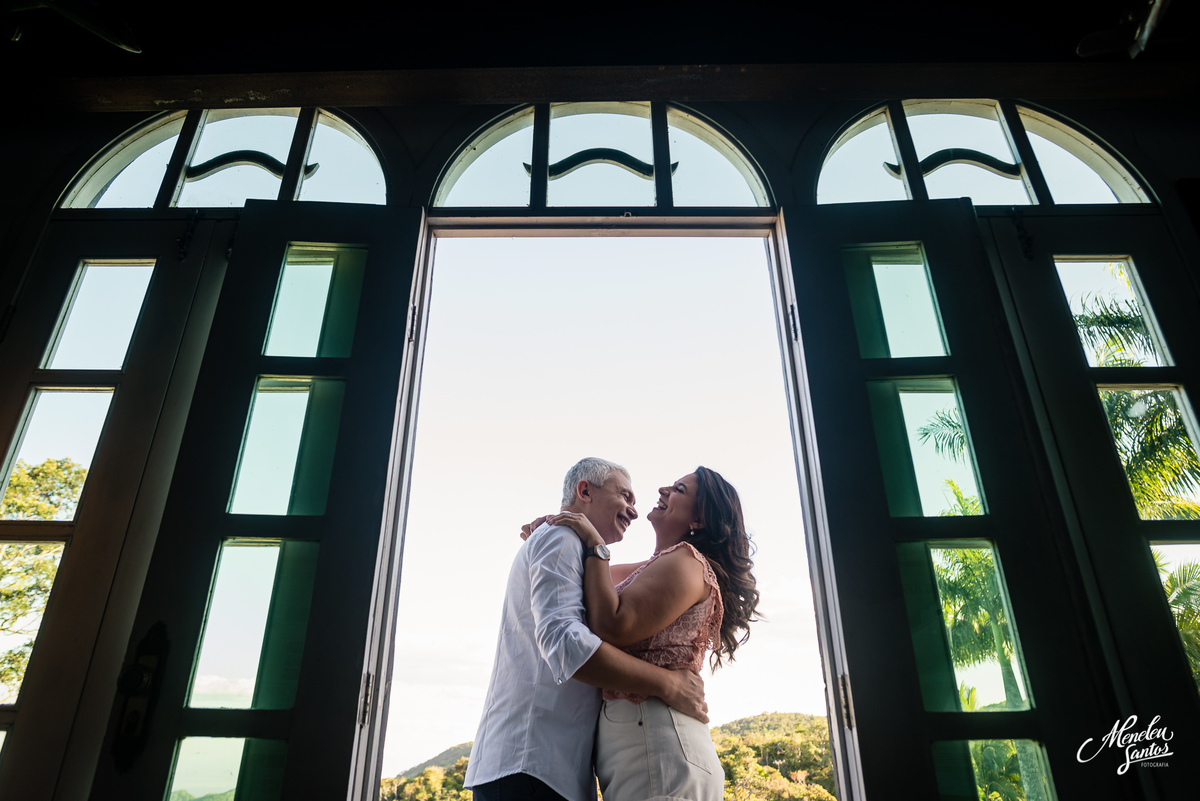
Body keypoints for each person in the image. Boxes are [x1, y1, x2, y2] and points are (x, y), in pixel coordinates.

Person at [464, 457, 709, 801]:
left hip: (550, 767)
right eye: (625, 496)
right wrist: (667, 684)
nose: (634, 511)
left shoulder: (578, 549)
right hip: (531, 762)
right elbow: (566, 643)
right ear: (585, 491)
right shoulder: (562, 538)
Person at [544, 466, 760, 801]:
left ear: (699, 520)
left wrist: (596, 543)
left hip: (659, 748)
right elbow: (583, 577)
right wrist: (551, 530)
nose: (662, 489)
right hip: (643, 748)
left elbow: (612, 625)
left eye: (678, 489)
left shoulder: (687, 562)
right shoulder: (651, 568)